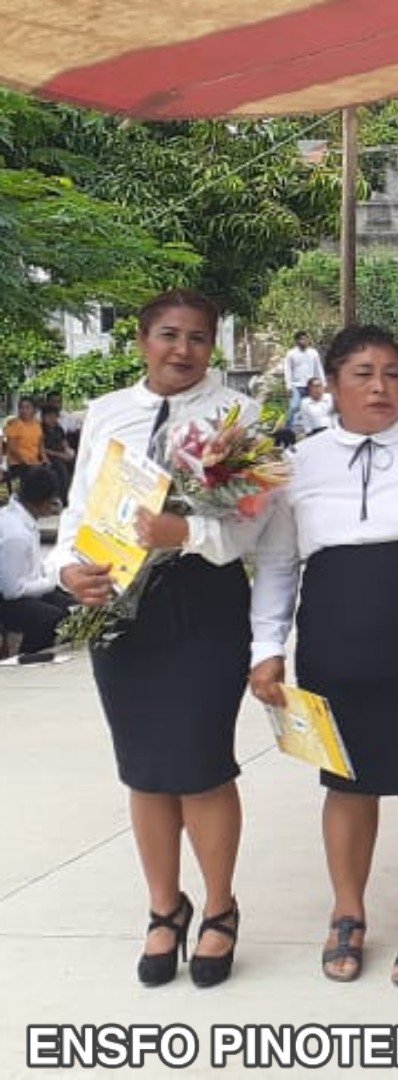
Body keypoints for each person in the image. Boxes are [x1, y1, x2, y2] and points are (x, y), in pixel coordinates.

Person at [249, 325, 398, 988]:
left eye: (392, 373)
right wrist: (267, 647)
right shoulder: (298, 464)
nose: (381, 387)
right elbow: (277, 563)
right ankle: (346, 912)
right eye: (362, 374)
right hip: (335, 642)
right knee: (346, 781)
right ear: (330, 383)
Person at [50, 289, 264, 988]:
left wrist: (186, 532)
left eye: (198, 337)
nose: (183, 349)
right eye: (169, 334)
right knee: (143, 765)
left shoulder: (237, 416)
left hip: (201, 602)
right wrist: (68, 569)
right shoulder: (109, 412)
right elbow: (80, 511)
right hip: (118, 605)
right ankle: (164, 908)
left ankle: (221, 907)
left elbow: (248, 530)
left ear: (213, 346)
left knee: (201, 762)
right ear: (142, 340)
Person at [0, 467, 69, 653]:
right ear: (45, 502)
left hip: (26, 589)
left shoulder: (21, 517)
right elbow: (12, 591)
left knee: (73, 609)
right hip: (7, 599)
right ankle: (27, 659)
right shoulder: (16, 533)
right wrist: (51, 582)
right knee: (49, 618)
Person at [4, 396, 45, 484]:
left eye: (27, 407)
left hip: (34, 462)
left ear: (34, 410)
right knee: (37, 476)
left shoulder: (37, 424)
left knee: (53, 471)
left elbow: (41, 446)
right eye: (21, 407)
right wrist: (27, 461)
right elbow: (12, 448)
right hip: (18, 464)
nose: (24, 410)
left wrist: (45, 460)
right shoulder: (14, 424)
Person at [282, 332, 323, 420]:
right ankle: (288, 427)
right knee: (294, 406)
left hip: (310, 385)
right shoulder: (291, 354)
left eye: (306, 339)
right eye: (301, 339)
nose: (304, 341)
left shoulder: (313, 353)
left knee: (310, 409)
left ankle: (309, 427)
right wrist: (288, 386)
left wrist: (322, 383)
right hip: (296, 385)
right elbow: (288, 370)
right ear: (296, 341)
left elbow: (318, 369)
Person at [40, 403, 76, 498]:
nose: (52, 419)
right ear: (43, 417)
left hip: (61, 455)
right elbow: (41, 449)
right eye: (49, 417)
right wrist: (60, 455)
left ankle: (73, 493)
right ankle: (61, 497)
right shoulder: (40, 430)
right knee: (60, 468)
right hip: (47, 456)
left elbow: (64, 443)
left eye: (55, 416)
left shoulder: (58, 429)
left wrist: (68, 451)